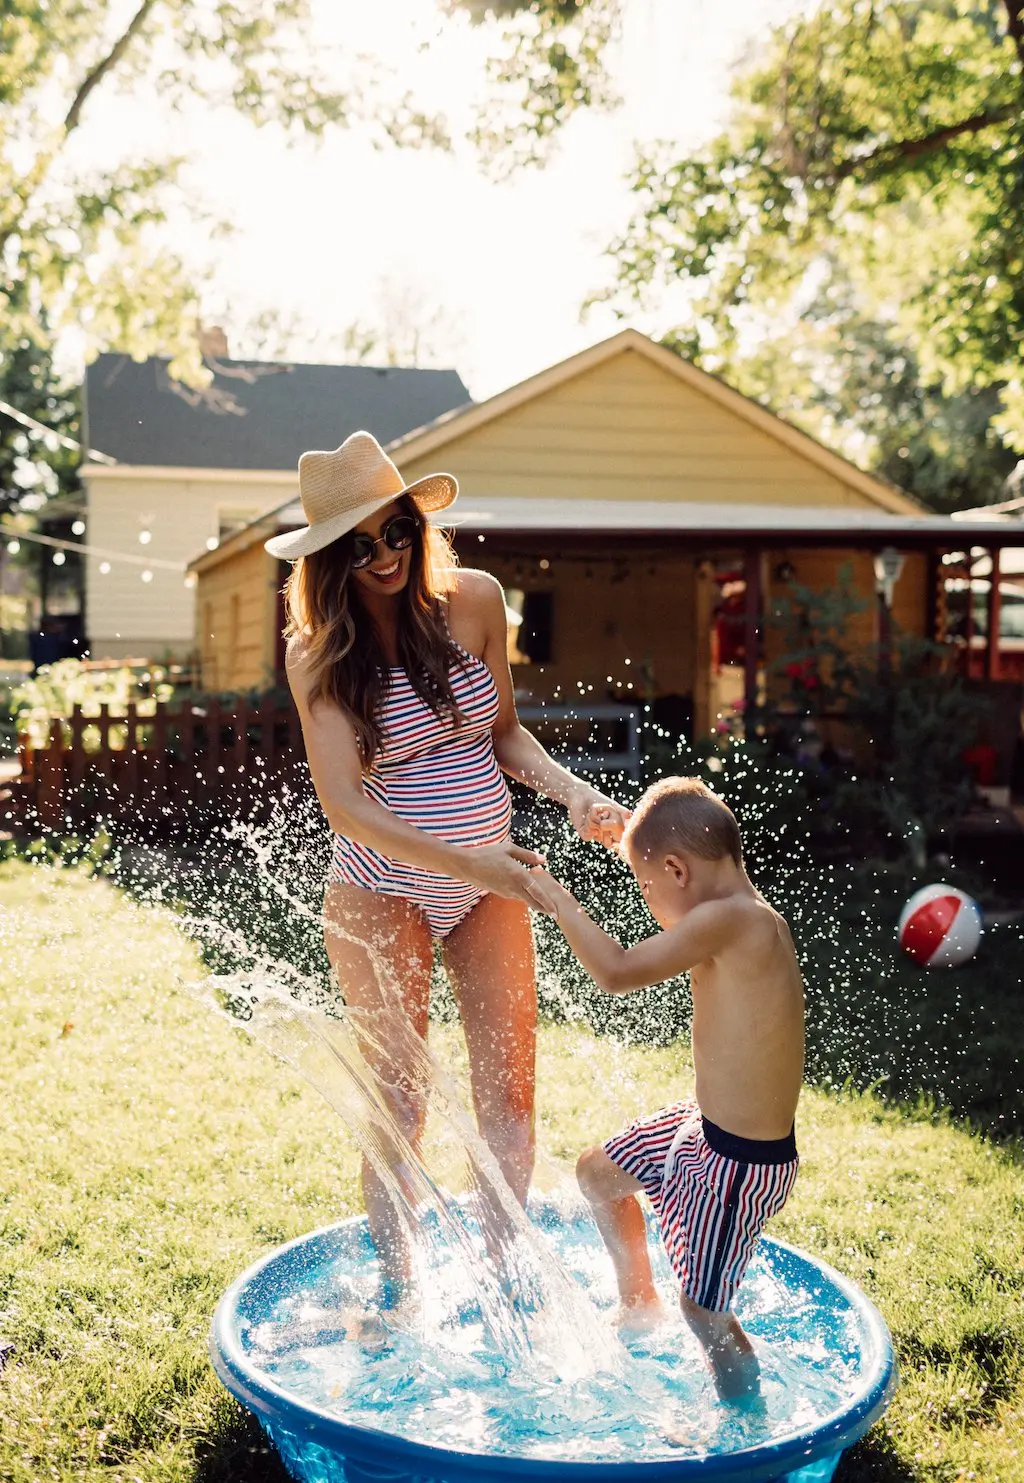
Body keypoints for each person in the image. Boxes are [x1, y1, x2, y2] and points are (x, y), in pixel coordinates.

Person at [267, 430, 629, 1301]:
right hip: (378, 886)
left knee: (509, 1092)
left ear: (416, 524)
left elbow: (502, 731)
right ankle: (402, 1294)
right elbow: (345, 804)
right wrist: (473, 859)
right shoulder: (314, 652)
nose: (385, 555)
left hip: (489, 878)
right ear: (326, 559)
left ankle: (509, 1284)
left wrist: (572, 792)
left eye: (397, 531)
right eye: (360, 545)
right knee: (401, 1103)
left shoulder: (474, 601)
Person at [526, 776, 804, 1401]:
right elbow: (675, 855)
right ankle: (636, 1304)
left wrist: (558, 900)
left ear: (677, 870)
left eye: (647, 886)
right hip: (700, 1129)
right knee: (599, 1173)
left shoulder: (731, 922)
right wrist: (630, 835)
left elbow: (618, 971)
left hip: (740, 1163)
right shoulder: (737, 911)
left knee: (703, 1313)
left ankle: (744, 1427)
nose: (648, 902)